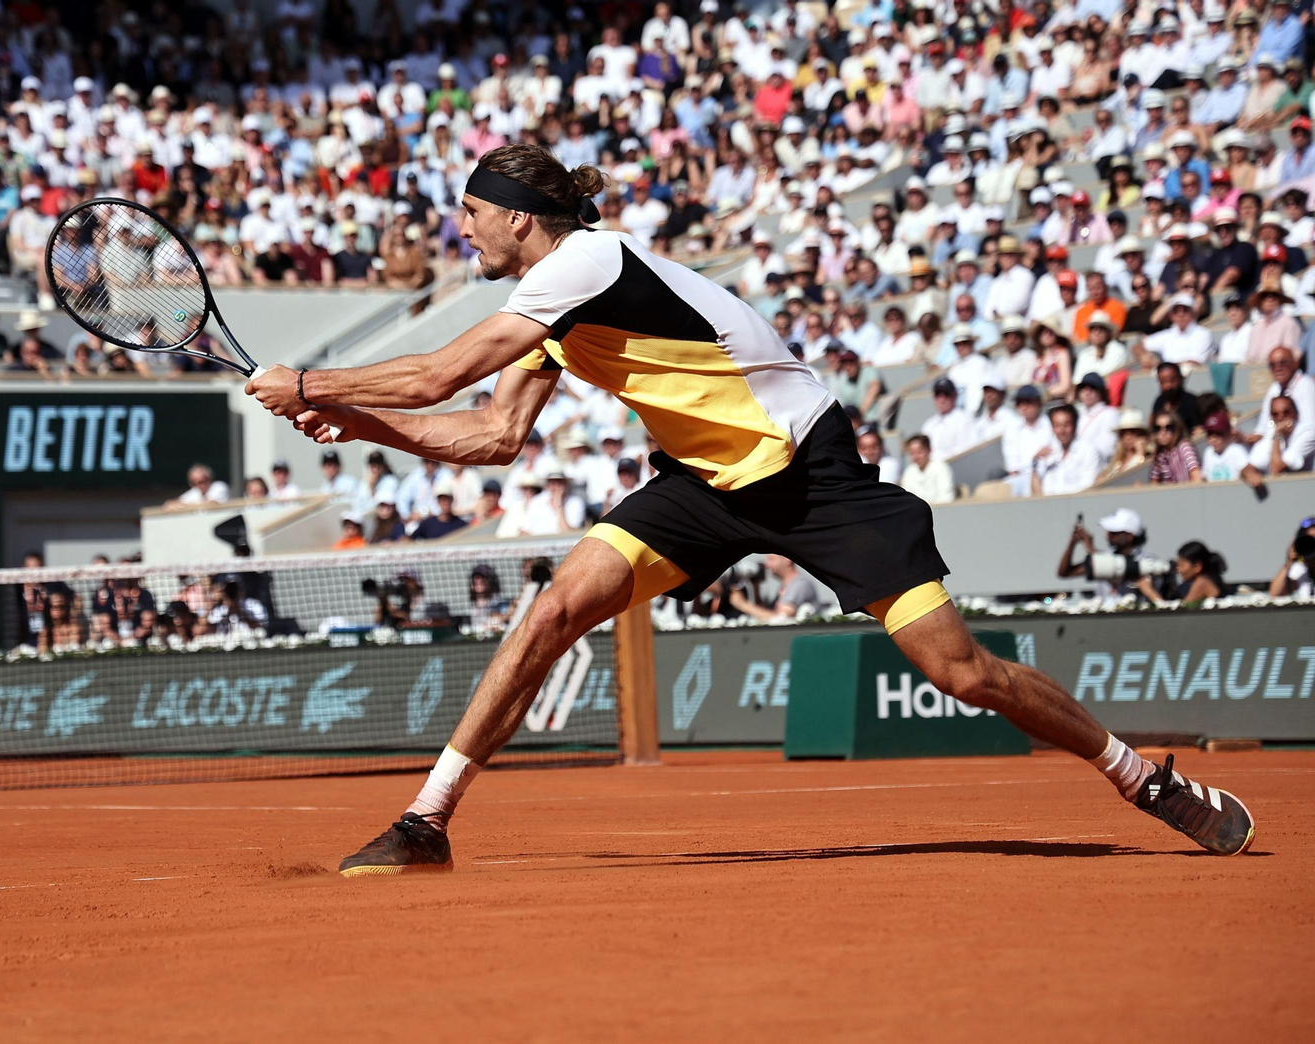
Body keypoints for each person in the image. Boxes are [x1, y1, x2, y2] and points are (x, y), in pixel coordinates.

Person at [246, 142, 1252, 872]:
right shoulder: (556, 308)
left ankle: (1140, 779)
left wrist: (316, 384)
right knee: (552, 609)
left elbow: (439, 375)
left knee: (962, 673)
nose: (458, 226)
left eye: (471, 210)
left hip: (810, 473)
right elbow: (490, 436)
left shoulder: (585, 261)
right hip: (703, 484)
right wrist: (359, 426)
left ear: (519, 217)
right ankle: (426, 821)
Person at [1057, 508, 1158, 604]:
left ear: (1129, 536)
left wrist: (1089, 547)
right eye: (1108, 532)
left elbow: (1118, 568)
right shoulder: (1105, 555)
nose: (1107, 535)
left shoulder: (1146, 559)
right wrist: (1072, 543)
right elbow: (1065, 572)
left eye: (1114, 533)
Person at [726, 555, 820, 622]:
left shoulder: (800, 584)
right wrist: (755, 588)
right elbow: (765, 615)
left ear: (787, 559)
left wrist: (743, 605)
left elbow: (781, 618)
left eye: (771, 559)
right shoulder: (784, 587)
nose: (767, 565)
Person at [1136, 541, 1227, 604]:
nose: (1179, 570)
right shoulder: (1204, 580)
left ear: (1197, 566)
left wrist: (1150, 592)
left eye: (1182, 565)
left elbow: (1181, 613)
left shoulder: (1202, 582)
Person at [898, 434, 955, 505]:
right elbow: (906, 498)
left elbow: (946, 497)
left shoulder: (940, 467)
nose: (916, 457)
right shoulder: (909, 471)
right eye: (912, 453)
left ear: (929, 450)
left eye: (919, 452)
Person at [1148, 409, 1203, 484]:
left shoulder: (1184, 447)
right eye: (1158, 428)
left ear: (1176, 429)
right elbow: (1154, 483)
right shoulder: (1159, 453)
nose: (1163, 432)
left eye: (1168, 428)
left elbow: (1197, 478)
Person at [1200, 413, 1250, 482]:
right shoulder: (1208, 452)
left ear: (1228, 434)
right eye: (1209, 436)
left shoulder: (1236, 450)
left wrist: (1248, 473)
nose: (1213, 440)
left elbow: (1247, 470)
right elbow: (1204, 478)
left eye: (1218, 435)